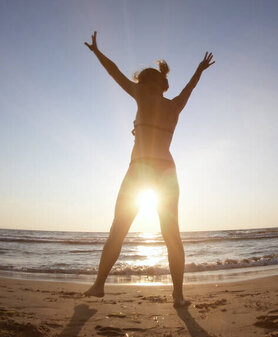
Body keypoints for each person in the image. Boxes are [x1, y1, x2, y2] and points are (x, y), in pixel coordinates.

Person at [83, 31, 214, 307]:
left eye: (140, 80)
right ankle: (178, 295)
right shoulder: (175, 104)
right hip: (166, 172)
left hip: (140, 171)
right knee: (171, 235)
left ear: (148, 84)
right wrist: (199, 69)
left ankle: (98, 286)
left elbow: (114, 73)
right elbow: (190, 86)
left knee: (118, 230)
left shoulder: (142, 96)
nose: (137, 83)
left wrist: (97, 52)